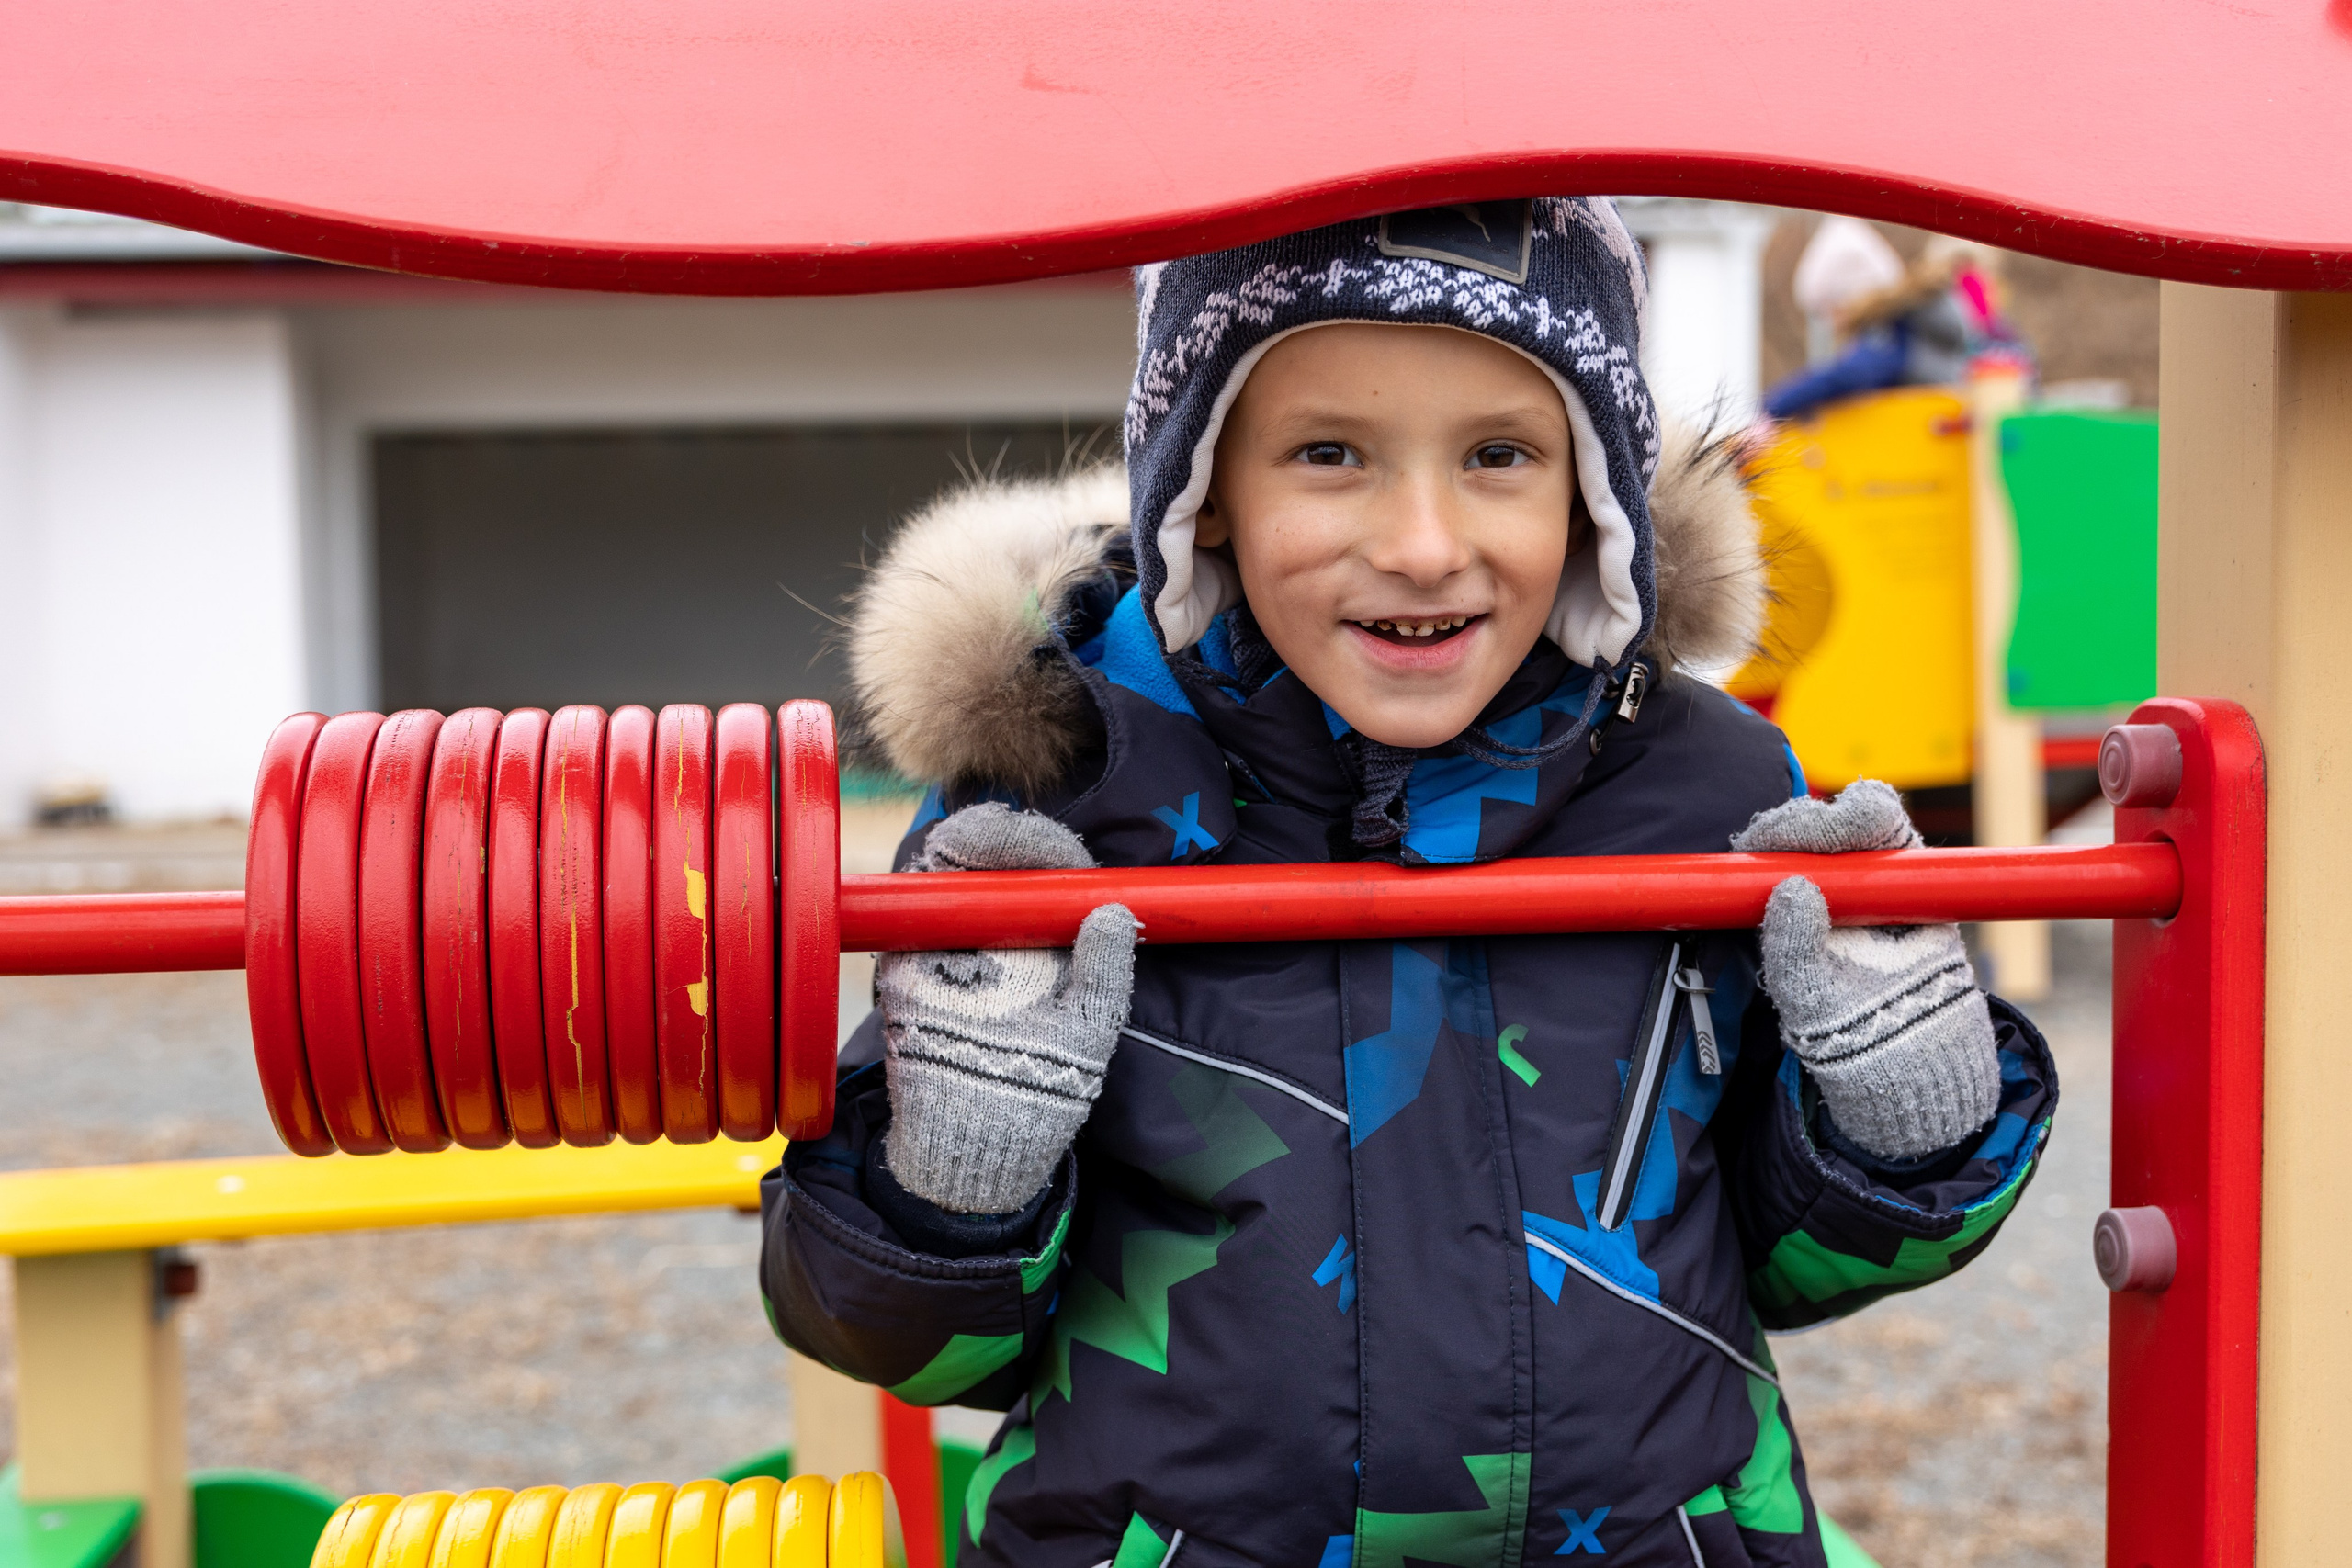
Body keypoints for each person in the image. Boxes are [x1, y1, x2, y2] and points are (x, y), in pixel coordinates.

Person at [760, 198, 2054, 1568]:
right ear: (1201, 490)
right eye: (1330, 453)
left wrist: (1898, 1120)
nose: (1427, 543)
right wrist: (960, 1176)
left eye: (1500, 453)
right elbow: (897, 1340)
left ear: (1595, 487)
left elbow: (1791, 1263)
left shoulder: (1705, 792)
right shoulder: (1056, 806)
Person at [1763, 225, 2027, 422]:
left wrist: (1771, 409)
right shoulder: (1920, 319)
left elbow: (1851, 374)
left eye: (1831, 310)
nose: (1831, 324)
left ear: (1852, 295)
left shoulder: (1893, 327)